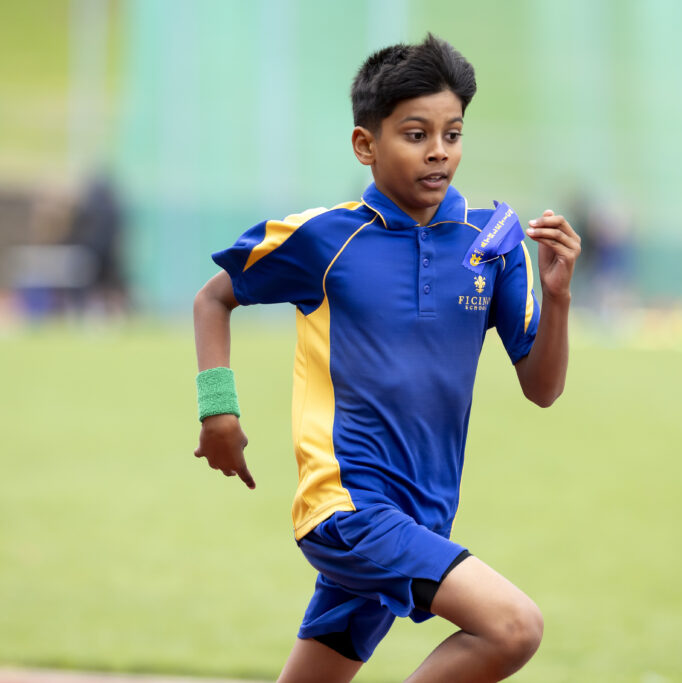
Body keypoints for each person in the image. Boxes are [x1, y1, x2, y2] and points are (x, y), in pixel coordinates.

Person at [192, 34, 580, 683]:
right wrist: (218, 412)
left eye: (452, 133)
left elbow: (542, 388)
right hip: (347, 512)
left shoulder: (494, 246)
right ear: (365, 145)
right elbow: (213, 298)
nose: (438, 151)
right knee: (514, 625)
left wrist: (559, 296)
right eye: (415, 133)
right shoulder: (325, 237)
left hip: (420, 514)